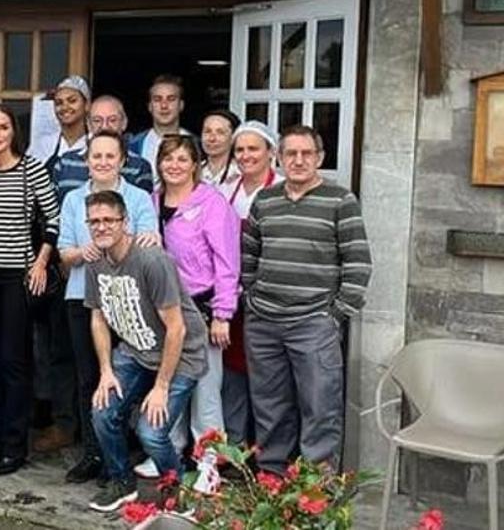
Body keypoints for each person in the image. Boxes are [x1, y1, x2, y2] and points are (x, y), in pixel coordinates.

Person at [242, 125, 372, 475]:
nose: (298, 161)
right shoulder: (265, 200)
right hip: (264, 322)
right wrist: (252, 298)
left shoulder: (340, 201)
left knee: (320, 407)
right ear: (279, 158)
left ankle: (314, 490)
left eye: (306, 154)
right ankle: (271, 479)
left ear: (320, 158)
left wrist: (335, 316)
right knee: (270, 407)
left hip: (314, 323)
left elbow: (358, 264)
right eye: (291, 154)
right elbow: (249, 256)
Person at [83, 191, 209, 513]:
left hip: (179, 355)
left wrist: (161, 386)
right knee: (103, 412)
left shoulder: (151, 260)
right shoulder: (96, 261)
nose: (102, 227)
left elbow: (177, 328)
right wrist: (106, 371)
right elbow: (98, 318)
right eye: (94, 221)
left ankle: (175, 489)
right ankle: (122, 482)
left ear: (124, 222)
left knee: (151, 432)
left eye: (109, 220)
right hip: (135, 351)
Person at [57, 130, 158, 485]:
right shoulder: (72, 200)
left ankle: (121, 450)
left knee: (129, 377)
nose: (102, 162)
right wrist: (78, 254)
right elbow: (64, 253)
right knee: (90, 379)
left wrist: (119, 245)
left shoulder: (140, 197)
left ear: (123, 160)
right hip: (82, 297)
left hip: (128, 299)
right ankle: (93, 454)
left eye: (109, 156)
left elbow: (149, 241)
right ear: (87, 161)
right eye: (95, 156)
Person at [0, 104, 59, 476]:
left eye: (3, 127)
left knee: (14, 362)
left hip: (17, 277)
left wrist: (40, 262)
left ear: (13, 132)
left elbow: (53, 219)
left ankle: (14, 444)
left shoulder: (31, 169)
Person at [150, 134, 240, 489]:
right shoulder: (152, 201)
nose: (174, 166)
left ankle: (209, 464)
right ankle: (167, 454)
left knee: (205, 391)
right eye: (168, 159)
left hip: (202, 309)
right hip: (164, 310)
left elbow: (227, 263)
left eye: (182, 159)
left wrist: (223, 313)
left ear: (195, 165)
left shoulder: (212, 203)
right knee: (169, 385)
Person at [33, 75, 92, 455]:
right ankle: (64, 422)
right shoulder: (41, 145)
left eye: (72, 101)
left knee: (93, 351)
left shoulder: (98, 148)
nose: (65, 107)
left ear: (85, 105)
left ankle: (94, 430)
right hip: (53, 258)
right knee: (58, 349)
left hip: (91, 261)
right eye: (59, 102)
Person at [221, 120, 283, 446]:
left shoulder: (282, 190)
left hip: (266, 295)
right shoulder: (225, 189)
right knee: (233, 371)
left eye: (253, 149)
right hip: (232, 295)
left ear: (271, 153)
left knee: (267, 375)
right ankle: (235, 445)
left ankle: (267, 448)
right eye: (240, 150)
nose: (246, 156)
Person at [128, 75, 193, 185]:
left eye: (171, 99)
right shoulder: (133, 146)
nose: (164, 105)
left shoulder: (196, 144)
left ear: (181, 105)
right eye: (157, 99)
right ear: (150, 106)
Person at [88, 95, 154, 193]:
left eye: (112, 120)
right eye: (97, 120)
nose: (105, 126)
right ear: (88, 125)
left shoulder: (140, 167)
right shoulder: (66, 162)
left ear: (124, 123)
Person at [200, 109, 241, 199]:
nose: (212, 138)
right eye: (207, 131)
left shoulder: (241, 173)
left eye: (220, 132)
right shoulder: (193, 172)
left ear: (233, 138)